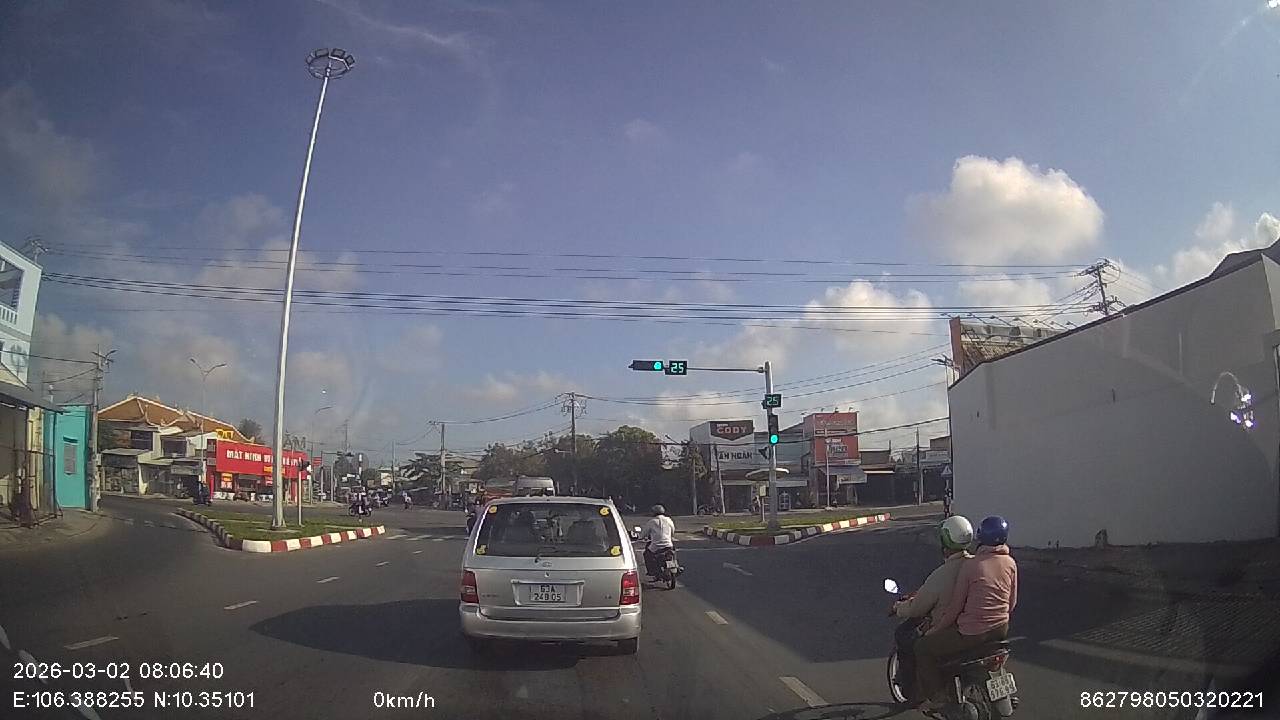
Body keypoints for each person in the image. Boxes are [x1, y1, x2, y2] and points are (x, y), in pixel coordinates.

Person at [914, 515, 1017, 711]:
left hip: (973, 633)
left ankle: (937, 697)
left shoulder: (972, 566)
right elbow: (1011, 602)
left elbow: (955, 608)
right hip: (1001, 630)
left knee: (923, 648)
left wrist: (935, 630)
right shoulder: (1010, 563)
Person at [891, 515, 974, 702]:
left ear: (944, 542)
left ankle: (930, 695)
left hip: (950, 628)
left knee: (913, 642)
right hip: (980, 625)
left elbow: (917, 608)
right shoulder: (976, 565)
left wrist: (898, 608)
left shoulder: (941, 575)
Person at [638, 504, 676, 579]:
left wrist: (640, 537)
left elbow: (643, 534)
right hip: (668, 545)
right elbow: (673, 531)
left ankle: (652, 571)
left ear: (654, 513)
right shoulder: (669, 520)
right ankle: (675, 566)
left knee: (646, 554)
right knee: (673, 553)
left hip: (656, 547)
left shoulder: (652, 522)